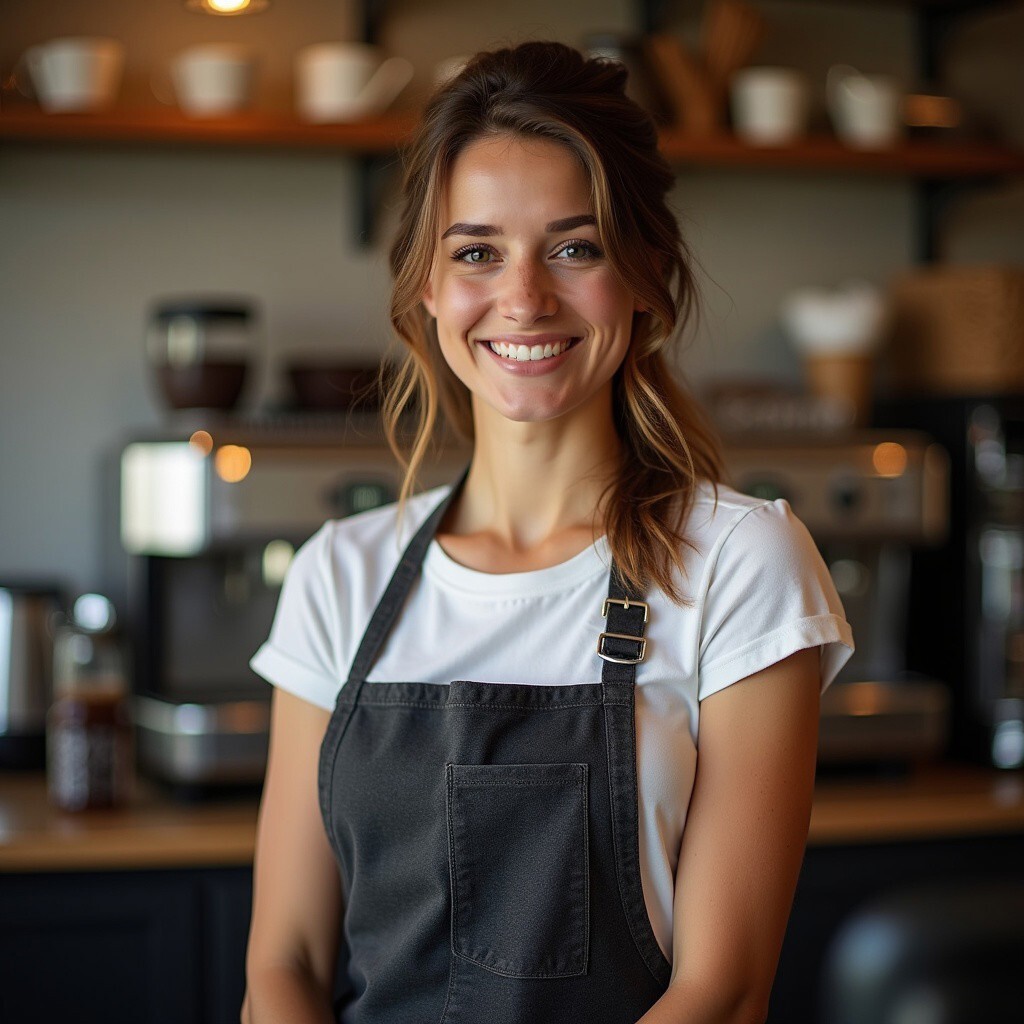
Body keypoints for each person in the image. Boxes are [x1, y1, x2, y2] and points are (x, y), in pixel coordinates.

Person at [241, 40, 853, 1024]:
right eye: (476, 251)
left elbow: (722, 990)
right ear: (427, 289)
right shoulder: (337, 574)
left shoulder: (741, 564)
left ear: (645, 275)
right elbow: (286, 962)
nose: (522, 298)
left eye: (575, 247)